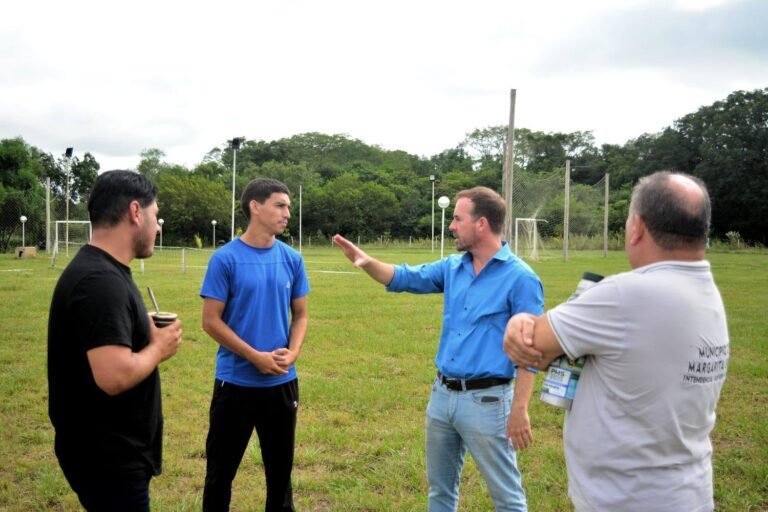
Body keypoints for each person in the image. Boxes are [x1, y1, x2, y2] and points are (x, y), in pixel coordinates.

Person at [503, 171, 729, 512]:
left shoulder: (627, 294)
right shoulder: (707, 292)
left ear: (637, 226)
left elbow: (533, 343)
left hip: (627, 498)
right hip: (687, 491)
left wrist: (519, 319)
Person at [333, 186, 543, 512]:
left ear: (482, 224)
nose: (452, 226)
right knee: (440, 493)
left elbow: (531, 352)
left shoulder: (521, 279)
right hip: (442, 397)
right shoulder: (452, 267)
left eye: (458, 219)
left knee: (507, 498)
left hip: (488, 403)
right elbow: (405, 277)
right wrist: (366, 261)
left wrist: (519, 409)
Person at [47, 170, 183, 511]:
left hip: (106, 452)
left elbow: (101, 331)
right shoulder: (100, 281)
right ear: (135, 213)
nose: (158, 226)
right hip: (109, 457)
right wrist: (158, 348)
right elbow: (114, 376)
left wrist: (137, 326)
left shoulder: (104, 270)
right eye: (156, 216)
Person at [200, 178, 310, 512]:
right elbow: (211, 321)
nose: (287, 213)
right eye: (280, 205)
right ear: (255, 206)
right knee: (220, 473)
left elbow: (301, 315)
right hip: (235, 383)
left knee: (280, 475)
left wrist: (293, 353)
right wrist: (253, 356)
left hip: (281, 383)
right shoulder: (226, 259)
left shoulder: (292, 259)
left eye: (288, 206)